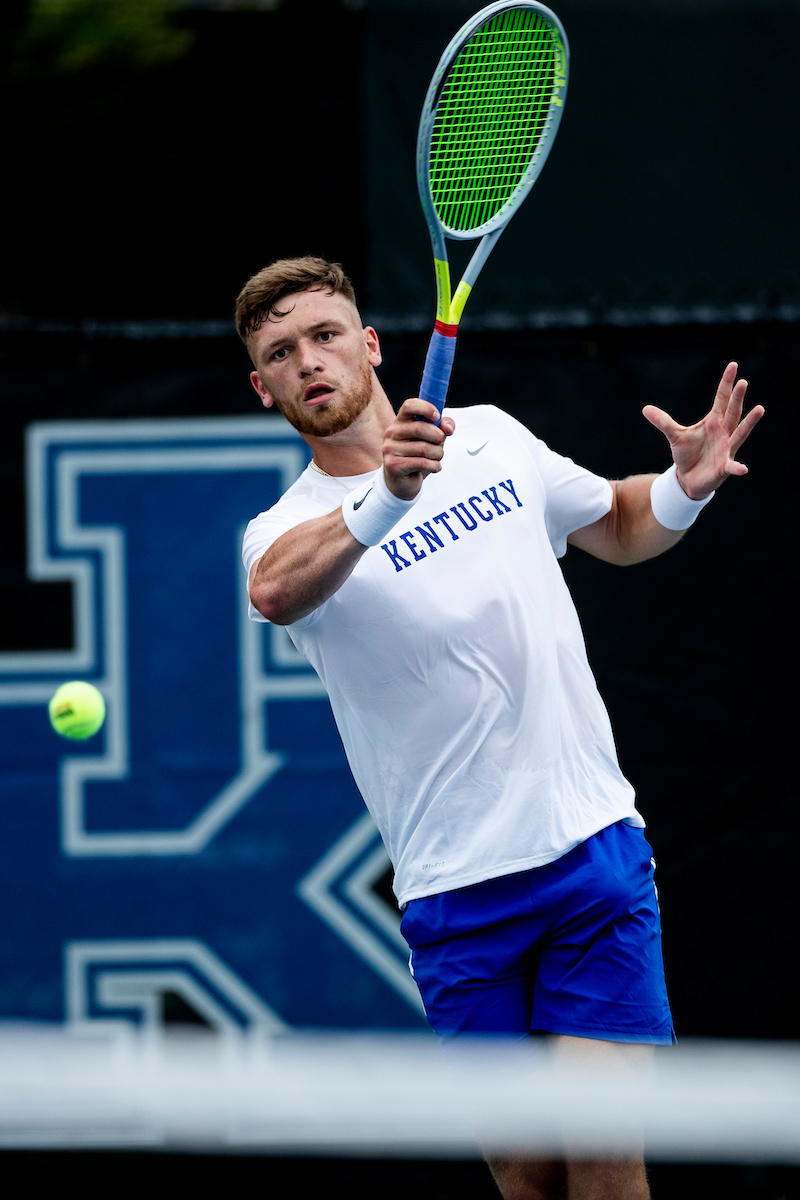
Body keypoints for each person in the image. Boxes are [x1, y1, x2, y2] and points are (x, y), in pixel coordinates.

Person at [237, 256, 763, 1200]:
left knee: (603, 1158)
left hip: (587, 855)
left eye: (324, 335)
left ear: (370, 345)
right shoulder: (285, 528)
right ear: (263, 387)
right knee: (532, 1183)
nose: (308, 360)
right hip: (453, 899)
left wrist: (685, 487)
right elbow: (276, 590)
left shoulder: (489, 440)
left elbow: (620, 521)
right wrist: (383, 499)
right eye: (281, 351)